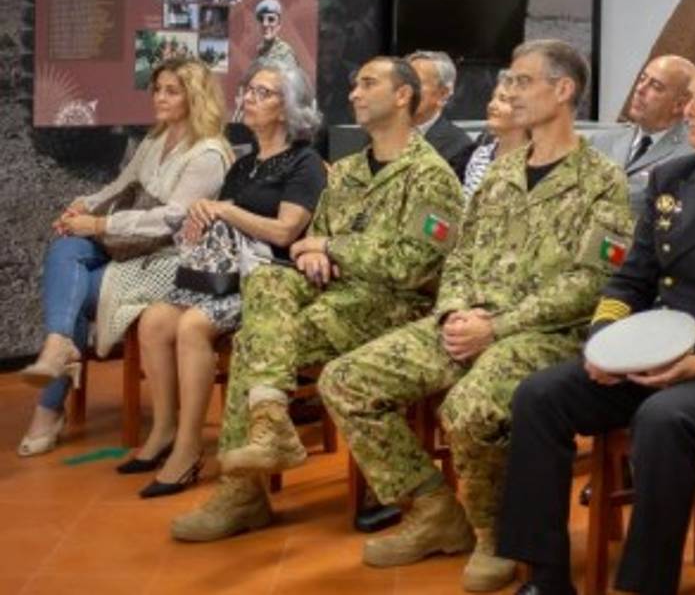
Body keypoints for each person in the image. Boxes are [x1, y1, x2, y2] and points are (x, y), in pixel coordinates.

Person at [496, 50, 695, 595]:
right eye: (689, 98)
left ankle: (647, 584)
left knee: (663, 419)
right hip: (655, 349)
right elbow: (632, 278)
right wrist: (604, 347)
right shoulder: (670, 178)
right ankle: (546, 576)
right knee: (539, 395)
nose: (688, 111)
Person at [320, 40, 634, 591]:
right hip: (466, 323)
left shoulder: (601, 180)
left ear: (562, 92)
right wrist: (454, 312)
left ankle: (492, 532)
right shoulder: (500, 174)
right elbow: (459, 255)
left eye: (521, 81)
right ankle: (433, 509)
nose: (507, 91)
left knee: (466, 409)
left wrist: (498, 326)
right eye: (507, 81)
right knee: (345, 380)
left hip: (543, 335)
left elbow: (592, 282)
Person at [170, 56, 463, 542]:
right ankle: (267, 429)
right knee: (266, 284)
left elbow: (415, 264)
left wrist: (330, 248)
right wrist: (313, 254)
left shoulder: (430, 176)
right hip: (338, 293)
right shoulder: (346, 172)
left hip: (396, 305)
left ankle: (245, 491)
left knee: (253, 344)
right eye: (354, 83)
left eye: (367, 83)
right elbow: (313, 241)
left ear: (402, 96)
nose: (354, 92)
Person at [125, 57, 325, 497]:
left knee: (194, 324)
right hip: (228, 275)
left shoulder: (304, 164)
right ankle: (163, 430)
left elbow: (285, 232)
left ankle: (190, 448)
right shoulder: (244, 163)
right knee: (155, 319)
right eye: (248, 91)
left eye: (262, 93)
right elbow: (222, 226)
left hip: (274, 280)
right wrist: (203, 215)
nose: (248, 99)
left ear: (288, 108)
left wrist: (228, 210)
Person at [17, 58, 231, 457]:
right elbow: (121, 184)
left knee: (75, 296)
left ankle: (48, 409)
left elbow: (169, 221)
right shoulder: (155, 138)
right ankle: (60, 346)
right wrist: (83, 206)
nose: (159, 98)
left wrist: (98, 227)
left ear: (194, 96)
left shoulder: (208, 154)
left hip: (170, 261)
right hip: (131, 247)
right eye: (157, 89)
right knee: (66, 247)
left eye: (171, 90)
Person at [588, 55, 695, 216]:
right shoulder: (599, 142)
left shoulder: (691, 155)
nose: (640, 89)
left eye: (656, 86)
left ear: (679, 105)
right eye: (642, 79)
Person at [453, 72, 530, 201]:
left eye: (503, 100)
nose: (492, 105)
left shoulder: (536, 161)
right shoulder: (481, 155)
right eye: (492, 98)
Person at [406, 50, 474, 175]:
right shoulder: (380, 133)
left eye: (416, 84)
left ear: (443, 93)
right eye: (405, 83)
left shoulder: (459, 145)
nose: (407, 91)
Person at [254, 0, 296, 65]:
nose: (265, 24)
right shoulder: (261, 49)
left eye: (271, 19)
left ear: (279, 24)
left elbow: (290, 74)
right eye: (261, 19)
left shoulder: (285, 52)